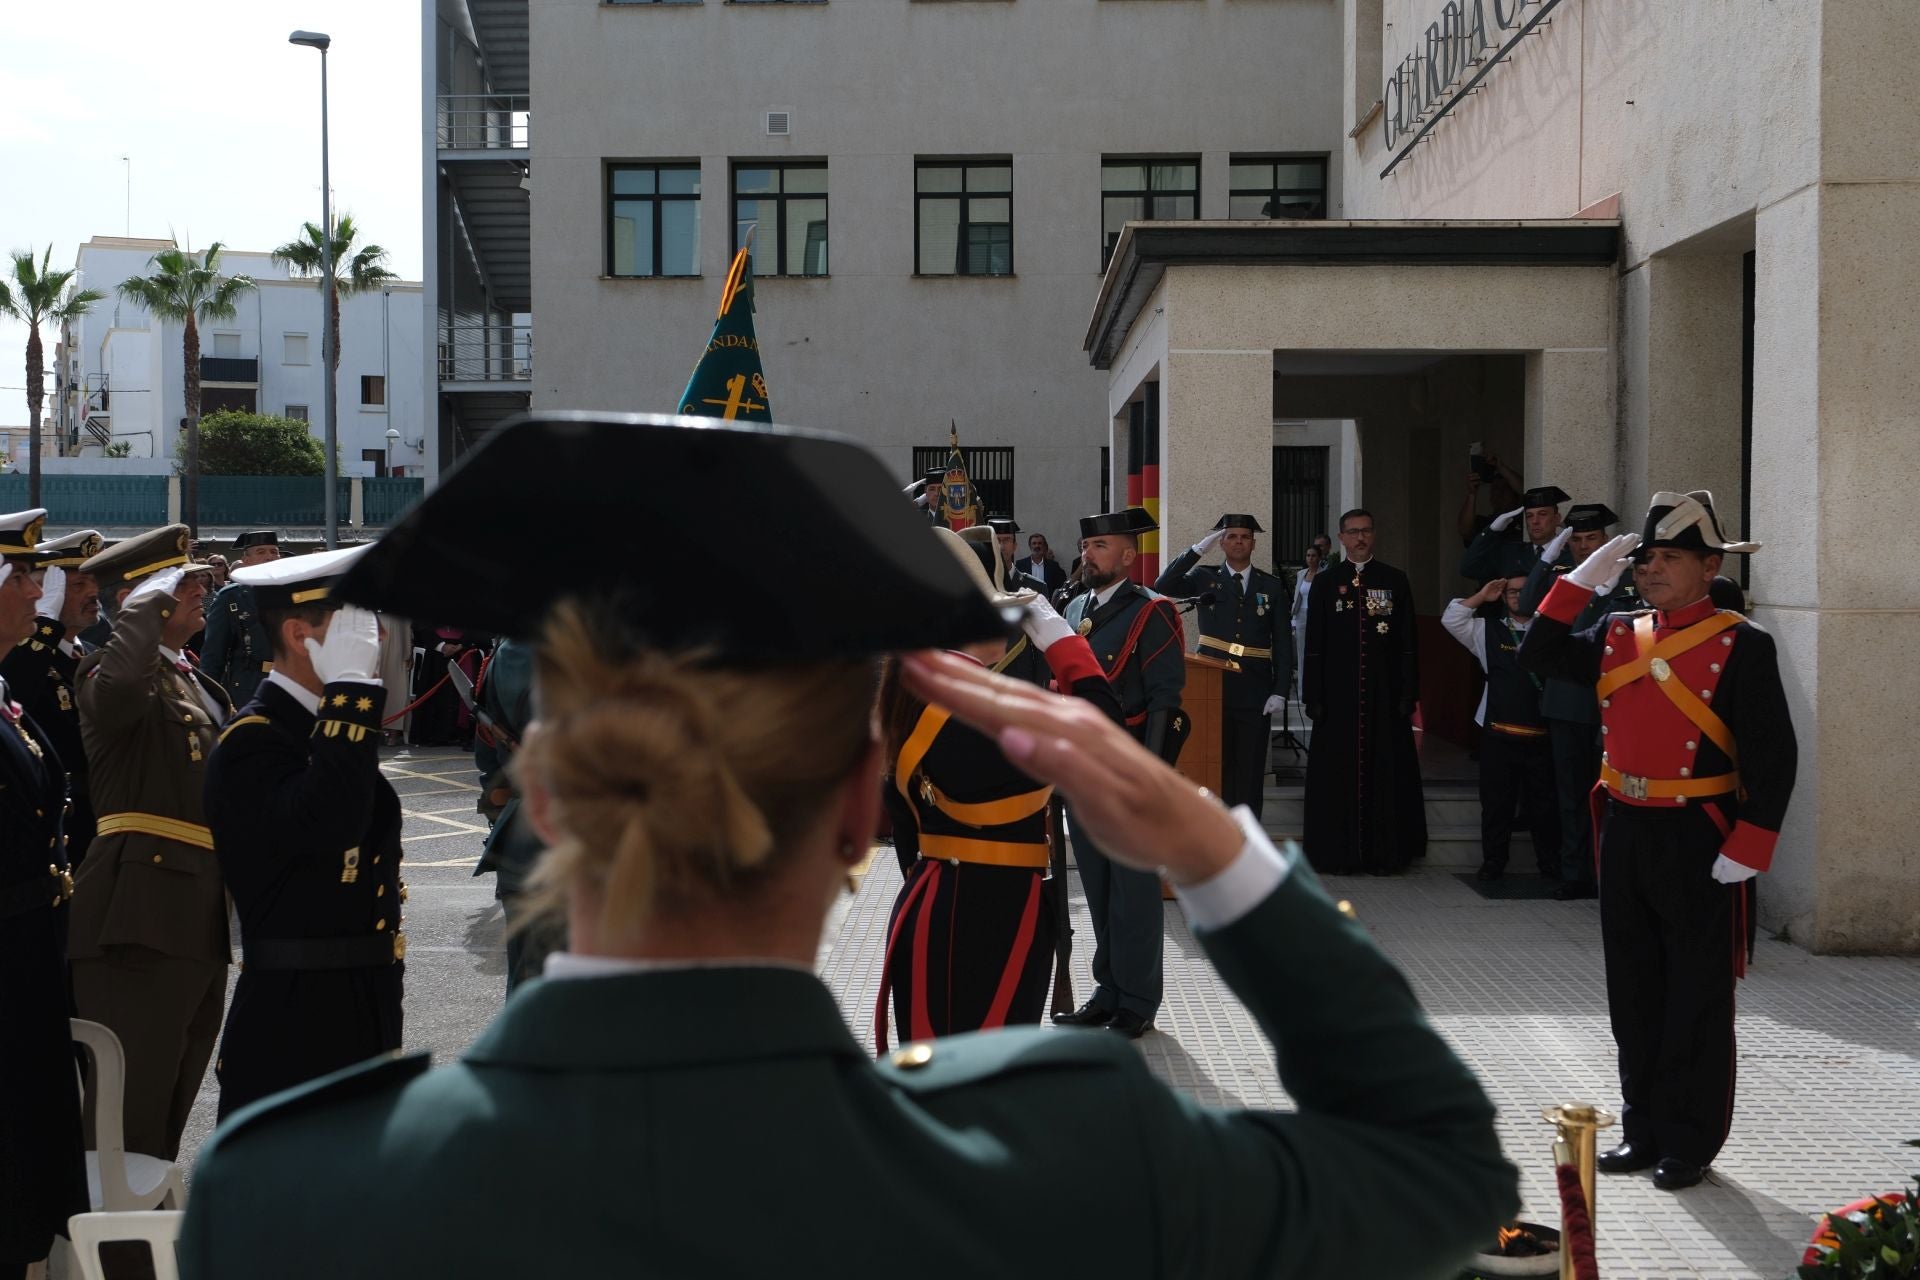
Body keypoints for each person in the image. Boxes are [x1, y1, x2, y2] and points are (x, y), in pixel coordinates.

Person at [178, 413, 1518, 1280]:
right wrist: (1197, 836)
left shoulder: (291, 1195)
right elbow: (1444, 1167)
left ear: (536, 796)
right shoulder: (1076, 1151)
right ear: (869, 808)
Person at [1520, 489, 1796, 1192]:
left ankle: (1690, 1140)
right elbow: (1540, 651)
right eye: (1644, 559)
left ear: (1710, 567)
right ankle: (1642, 1127)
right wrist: (1580, 581)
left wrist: (1752, 840)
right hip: (1626, 825)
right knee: (1633, 990)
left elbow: (1773, 752)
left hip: (1699, 835)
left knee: (1696, 996)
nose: (1651, 571)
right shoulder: (1618, 631)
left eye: (1669, 558)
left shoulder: (1743, 644)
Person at [876, 526, 1118, 1048]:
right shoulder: (988, 715)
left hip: (927, 901)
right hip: (996, 917)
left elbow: (903, 829)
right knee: (990, 1090)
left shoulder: (906, 695)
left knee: (933, 1076)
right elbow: (1105, 731)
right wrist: (1060, 639)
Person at [204, 544, 406, 1120]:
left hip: (357, 1004)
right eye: (355, 625)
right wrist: (351, 691)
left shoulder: (315, 730)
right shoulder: (254, 741)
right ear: (299, 634)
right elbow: (330, 824)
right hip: (296, 1023)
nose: (378, 641)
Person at [69, 524, 232, 1161]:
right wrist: (144, 607)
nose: (198, 590)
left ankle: (146, 1241)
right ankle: (119, 1255)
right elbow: (115, 700)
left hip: (197, 915)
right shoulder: (104, 674)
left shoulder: (192, 681)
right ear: (141, 600)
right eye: (180, 582)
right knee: (127, 1114)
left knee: (168, 1106)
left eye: (193, 578)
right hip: (136, 920)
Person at [1056, 506, 1185, 1038]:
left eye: (1101, 546)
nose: (1089, 555)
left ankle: (1137, 1001)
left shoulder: (1150, 612)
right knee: (1100, 887)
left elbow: (1164, 703)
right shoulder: (1074, 608)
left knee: (1133, 893)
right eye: (1086, 547)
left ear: (1129, 555)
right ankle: (1106, 992)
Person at [0, 510, 87, 1280]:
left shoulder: (4, 694)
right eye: (23, 577)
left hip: (29, 965)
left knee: (29, 1173)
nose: (39, 591)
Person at [1516, 503, 1637, 900]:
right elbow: (1529, 602)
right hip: (1566, 701)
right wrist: (1552, 553)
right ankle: (1575, 872)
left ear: (1605, 541)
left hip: (1611, 701)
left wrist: (1605, 590)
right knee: (1570, 794)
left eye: (1592, 539)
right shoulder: (1562, 576)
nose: (1585, 547)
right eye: (1578, 540)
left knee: (1611, 793)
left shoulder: (1630, 579)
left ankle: (1610, 873)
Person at [1302, 508, 1426, 874]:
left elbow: (1407, 642)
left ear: (1374, 535)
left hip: (1383, 699)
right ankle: (1336, 855)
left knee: (1385, 772)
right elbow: (1314, 644)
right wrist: (1313, 694)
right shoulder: (1327, 583)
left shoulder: (1394, 579)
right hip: (1337, 700)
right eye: (1353, 532)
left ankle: (1384, 854)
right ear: (1341, 538)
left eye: (1366, 531)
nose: (1360, 538)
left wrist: (1409, 691)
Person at [1156, 514, 1294, 817]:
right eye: (1231, 536)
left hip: (1255, 687)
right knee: (1213, 759)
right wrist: (1197, 549)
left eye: (1245, 537)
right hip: (1211, 682)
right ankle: (1213, 834)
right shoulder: (1204, 577)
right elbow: (1163, 584)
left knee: (1250, 764)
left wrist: (1280, 690)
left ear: (1254, 543)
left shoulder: (1269, 587)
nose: (1238, 542)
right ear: (1221, 542)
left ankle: (1248, 835)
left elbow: (1283, 642)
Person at [1443, 577, 1560, 882]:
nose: (1518, 596)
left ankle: (1550, 866)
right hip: (1498, 734)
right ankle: (1494, 863)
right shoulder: (1487, 630)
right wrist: (1482, 595)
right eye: (1512, 591)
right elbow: (1452, 618)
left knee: (1545, 807)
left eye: (1525, 590)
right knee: (1496, 805)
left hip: (1542, 735)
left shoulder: (1552, 630)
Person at [1, 528, 104, 867]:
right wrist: (46, 626)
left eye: (94, 584)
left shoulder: (92, 654)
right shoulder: (27, 659)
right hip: (58, 824)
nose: (93, 594)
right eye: (77, 586)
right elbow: (17, 687)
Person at [472, 637, 555, 990]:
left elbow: (488, 763)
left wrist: (498, 821)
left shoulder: (507, 652)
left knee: (527, 981)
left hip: (520, 831)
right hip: (579, 838)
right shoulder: (598, 643)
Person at [201, 529, 282, 710]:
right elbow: (214, 654)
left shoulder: (294, 592)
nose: (269, 557)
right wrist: (210, 699)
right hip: (249, 684)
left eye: (274, 551)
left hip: (291, 681)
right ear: (246, 561)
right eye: (261, 552)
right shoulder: (231, 597)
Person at [1461, 485, 1573, 583]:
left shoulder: (1571, 553)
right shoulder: (1512, 554)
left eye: (1542, 514)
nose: (1535, 521)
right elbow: (1469, 568)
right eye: (1529, 516)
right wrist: (1491, 531)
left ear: (1557, 518)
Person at [1290, 543, 1322, 693]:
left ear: (1319, 558)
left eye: (1313, 555)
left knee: (1317, 652)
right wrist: (1294, 620)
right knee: (1301, 653)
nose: (1310, 558)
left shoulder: (1324, 575)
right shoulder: (1301, 574)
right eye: (1308, 555)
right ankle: (1303, 691)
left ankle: (1317, 688)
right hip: (1302, 615)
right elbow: (1297, 597)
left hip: (1318, 616)